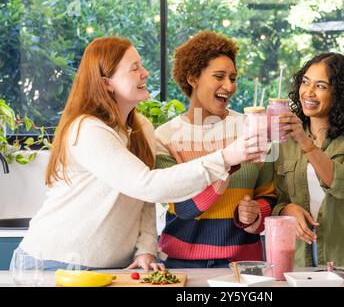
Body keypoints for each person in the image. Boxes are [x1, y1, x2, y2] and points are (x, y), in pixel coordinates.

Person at [11, 36, 265, 271]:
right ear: (106, 83)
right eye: (134, 68)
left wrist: (145, 250)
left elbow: (143, 201)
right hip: (56, 261)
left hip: (114, 266)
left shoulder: (140, 126)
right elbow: (147, 185)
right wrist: (225, 158)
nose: (145, 73)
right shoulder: (87, 129)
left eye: (141, 65)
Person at [155, 31, 277, 268]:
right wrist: (228, 161)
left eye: (233, 77)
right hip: (182, 265)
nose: (229, 86)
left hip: (244, 264)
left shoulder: (251, 128)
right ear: (192, 78)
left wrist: (256, 213)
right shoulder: (165, 137)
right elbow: (184, 208)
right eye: (219, 76)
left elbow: (270, 196)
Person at [274, 52, 344, 267]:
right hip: (297, 263)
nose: (309, 92)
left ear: (340, 93)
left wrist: (304, 141)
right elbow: (275, 198)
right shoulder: (284, 138)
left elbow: (343, 184)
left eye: (321, 86)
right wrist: (286, 210)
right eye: (305, 82)